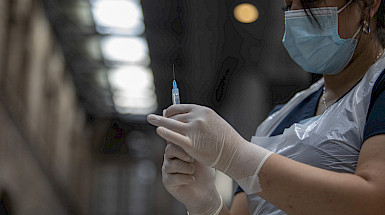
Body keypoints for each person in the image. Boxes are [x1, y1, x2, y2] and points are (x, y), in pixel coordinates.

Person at [147, 0, 385, 214]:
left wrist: (235, 155)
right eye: (289, 5)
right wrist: (206, 204)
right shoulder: (278, 119)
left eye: (311, 1)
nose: (296, 15)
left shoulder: (378, 87)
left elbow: (376, 201)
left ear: (369, 4)